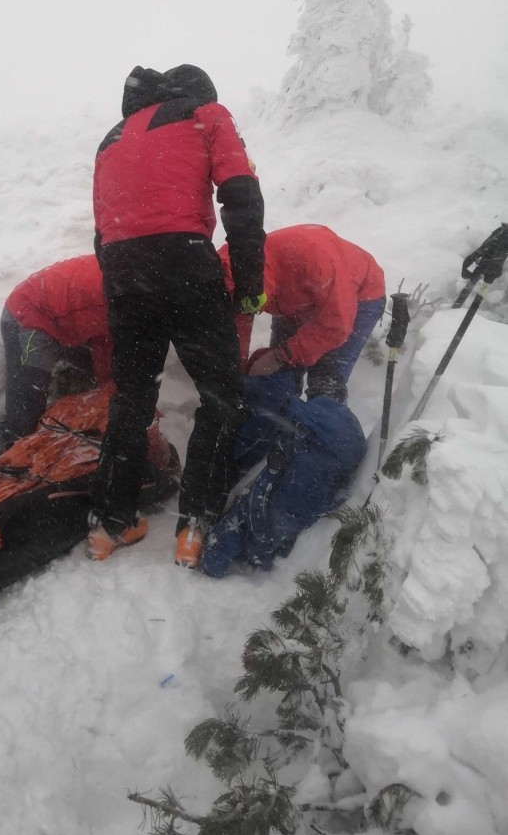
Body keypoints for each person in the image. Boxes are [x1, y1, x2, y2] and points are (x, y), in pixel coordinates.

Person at [88, 64, 266, 566]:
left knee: (134, 393)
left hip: (123, 270)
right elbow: (240, 196)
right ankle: (195, 525)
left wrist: (123, 284)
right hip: (184, 259)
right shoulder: (208, 115)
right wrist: (249, 283)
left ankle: (109, 523)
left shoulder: (112, 137)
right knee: (220, 392)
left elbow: (102, 228)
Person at [0, 254, 112, 471]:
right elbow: (107, 331)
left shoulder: (132, 276)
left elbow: (104, 340)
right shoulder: (122, 294)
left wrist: (107, 386)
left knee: (111, 379)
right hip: (28, 317)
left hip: (62, 318)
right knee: (21, 422)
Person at [219, 223, 386, 401]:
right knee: (279, 376)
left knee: (325, 382)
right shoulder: (229, 271)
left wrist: (281, 355)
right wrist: (236, 371)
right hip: (294, 298)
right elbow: (239, 328)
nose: (253, 311)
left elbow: (336, 326)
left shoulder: (316, 259)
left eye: (254, 305)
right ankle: (278, 421)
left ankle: (323, 421)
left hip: (358, 298)